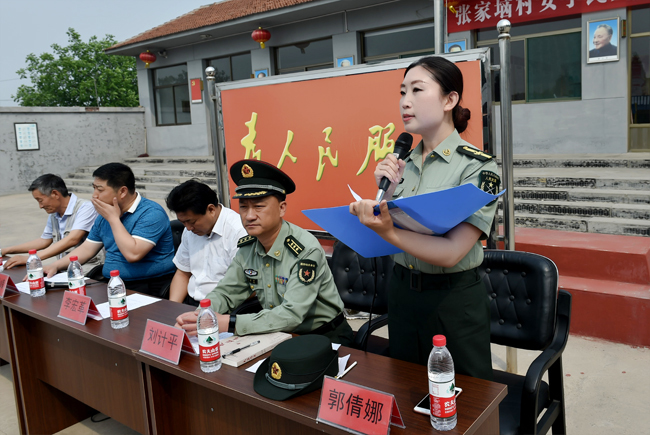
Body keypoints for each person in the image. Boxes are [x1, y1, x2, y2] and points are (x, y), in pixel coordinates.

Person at [349, 56, 500, 380]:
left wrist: (389, 231)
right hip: (402, 292)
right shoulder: (401, 164)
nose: (406, 101)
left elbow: (451, 252)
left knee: (462, 402)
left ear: (450, 99)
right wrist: (381, 200)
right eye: (402, 92)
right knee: (405, 386)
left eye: (417, 90)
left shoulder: (477, 167)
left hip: (452, 300)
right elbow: (393, 224)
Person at [175, 160, 353, 346]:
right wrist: (201, 315)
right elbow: (227, 292)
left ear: (282, 208)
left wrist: (229, 323)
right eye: (243, 207)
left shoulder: (305, 249)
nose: (249, 215)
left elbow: (292, 314)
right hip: (278, 333)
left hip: (323, 336)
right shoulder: (248, 247)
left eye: (259, 206)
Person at [43, 163, 176, 297]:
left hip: (147, 286)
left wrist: (113, 219)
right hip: (112, 283)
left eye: (100, 190)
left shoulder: (151, 213)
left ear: (122, 191)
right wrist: (55, 265)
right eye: (94, 188)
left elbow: (133, 254)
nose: (95, 195)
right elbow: (87, 249)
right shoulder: (106, 214)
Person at [165, 180, 247, 306]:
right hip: (192, 302)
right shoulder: (190, 231)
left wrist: (204, 313)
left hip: (227, 306)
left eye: (191, 222)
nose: (188, 228)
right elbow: (183, 273)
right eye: (183, 222)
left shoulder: (238, 231)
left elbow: (245, 285)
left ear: (211, 209)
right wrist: (172, 308)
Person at [2, 174, 103, 272]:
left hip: (88, 271)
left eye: (40, 200)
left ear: (55, 194)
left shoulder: (86, 208)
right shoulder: (54, 214)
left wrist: (32, 259)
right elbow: (44, 241)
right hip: (64, 269)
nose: (40, 206)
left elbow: (73, 239)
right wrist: (5, 250)